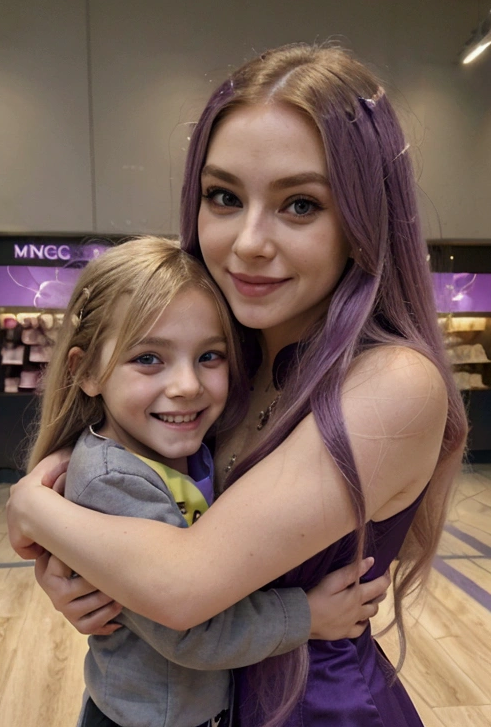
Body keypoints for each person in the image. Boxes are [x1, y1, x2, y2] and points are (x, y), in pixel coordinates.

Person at [7, 43, 467, 727]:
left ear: (364, 221)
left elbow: (185, 585)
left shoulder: (393, 383)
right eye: (223, 196)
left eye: (301, 204)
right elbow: (147, 530)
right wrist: (81, 575)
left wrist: (30, 510)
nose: (248, 241)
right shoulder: (221, 365)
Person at [24, 235, 383, 727]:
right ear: (86, 372)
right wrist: (310, 616)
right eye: (148, 358)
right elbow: (188, 630)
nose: (187, 386)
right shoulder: (112, 482)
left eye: (209, 357)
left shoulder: (181, 447)